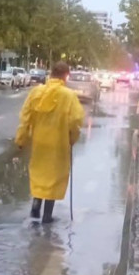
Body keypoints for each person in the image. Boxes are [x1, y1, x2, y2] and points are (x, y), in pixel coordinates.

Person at [14, 61, 85, 223]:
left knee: (39, 175)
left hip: (40, 144)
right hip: (58, 146)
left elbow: (25, 118)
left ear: (51, 73)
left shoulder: (36, 93)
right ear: (66, 75)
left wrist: (21, 139)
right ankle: (47, 215)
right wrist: (72, 139)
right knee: (54, 178)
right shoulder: (68, 96)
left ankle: (35, 207)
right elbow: (76, 120)